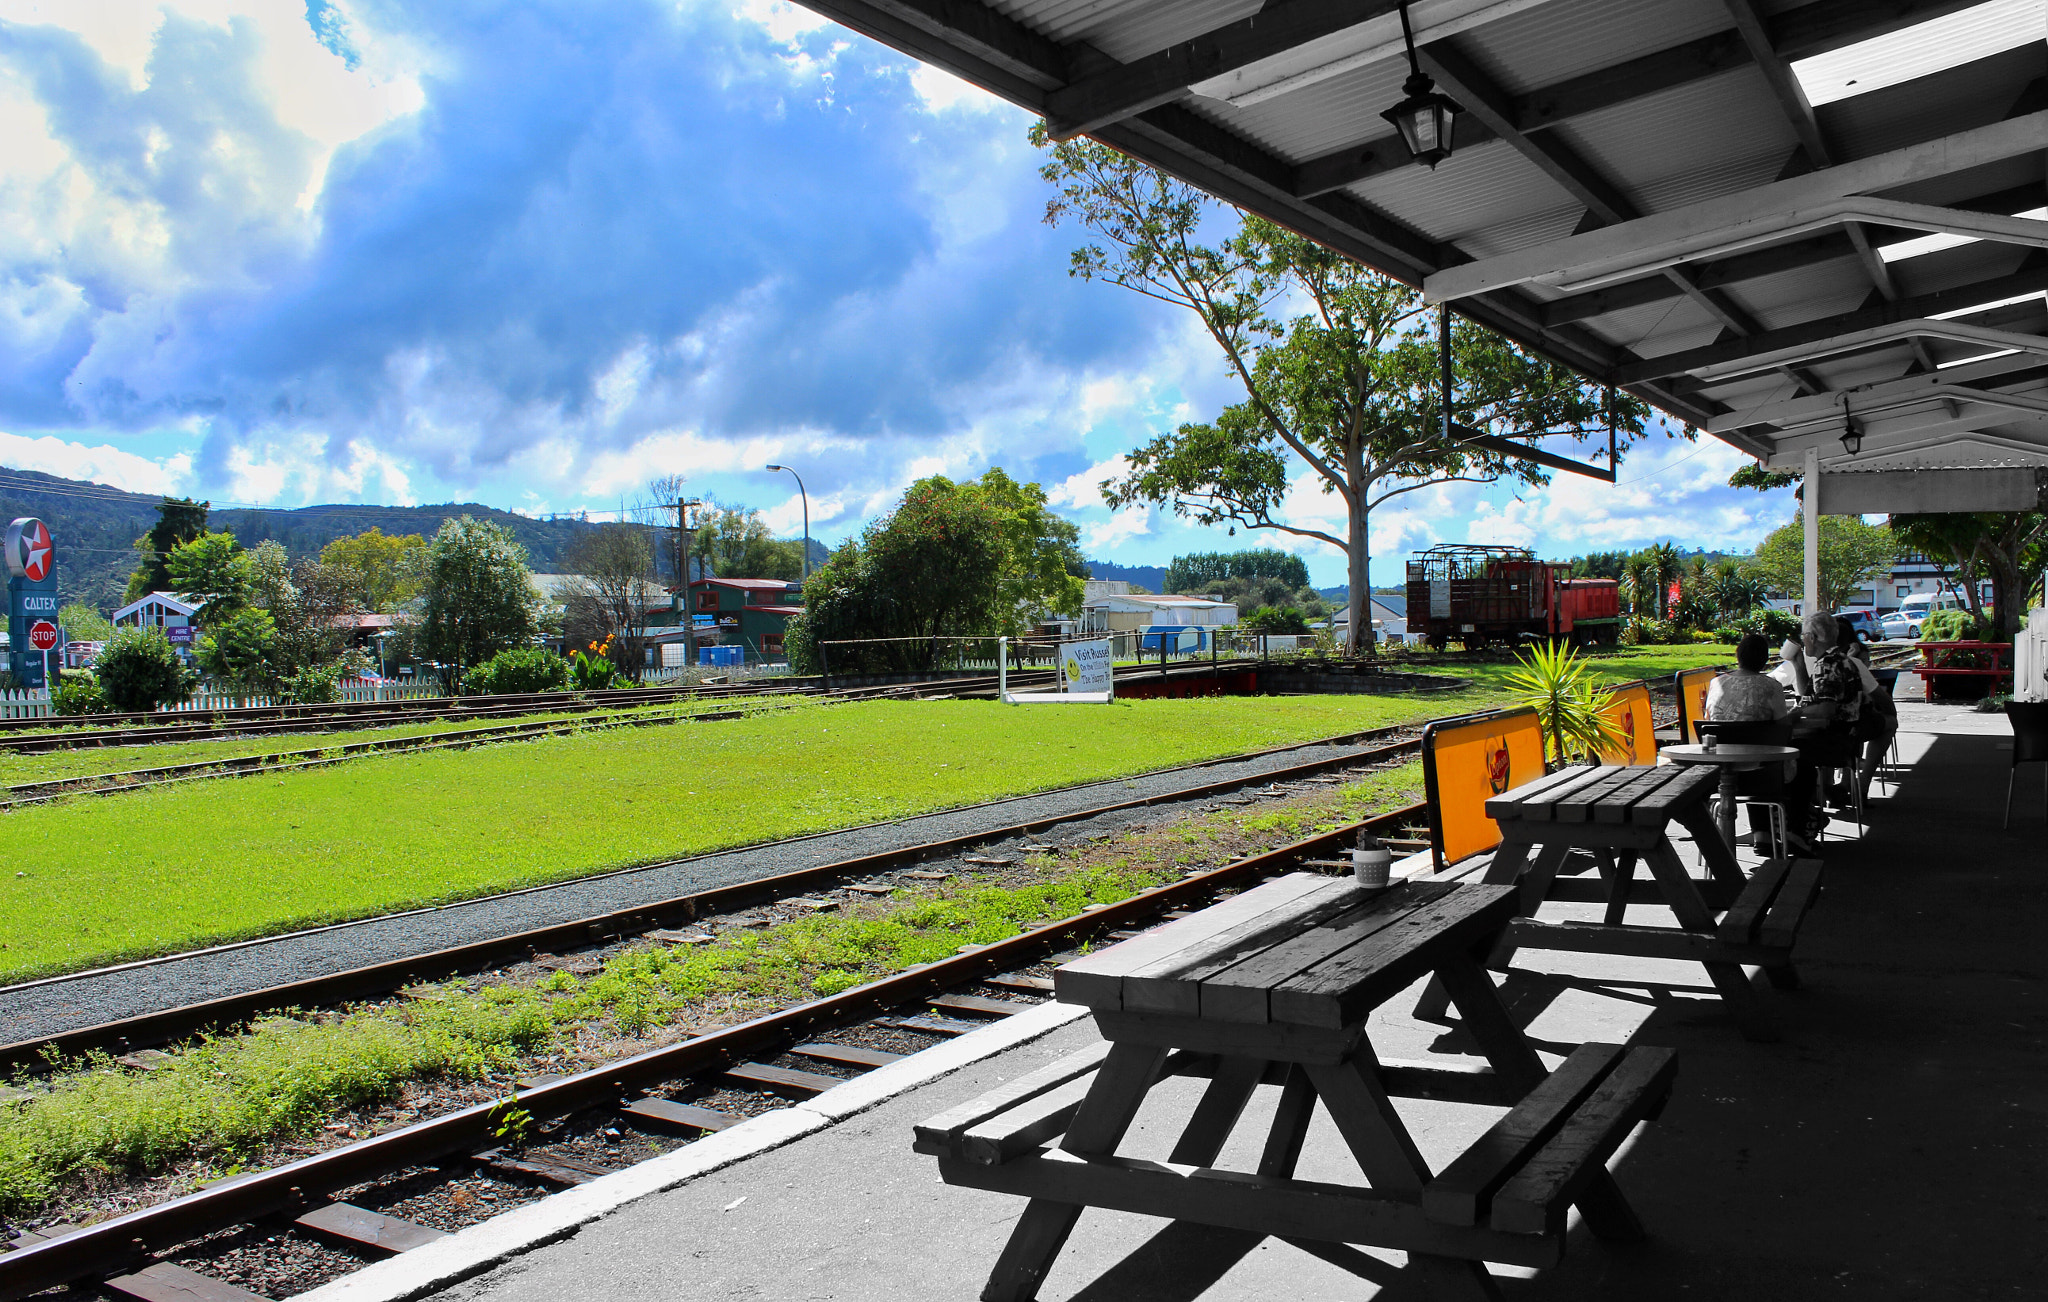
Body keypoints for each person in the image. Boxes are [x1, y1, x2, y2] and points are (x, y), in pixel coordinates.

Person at [1707, 633, 1790, 722]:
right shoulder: (1772, 687)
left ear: (1738, 655)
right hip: (1757, 736)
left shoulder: (1716, 683)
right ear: (1765, 659)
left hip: (1720, 735)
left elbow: (1707, 719)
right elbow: (1782, 726)